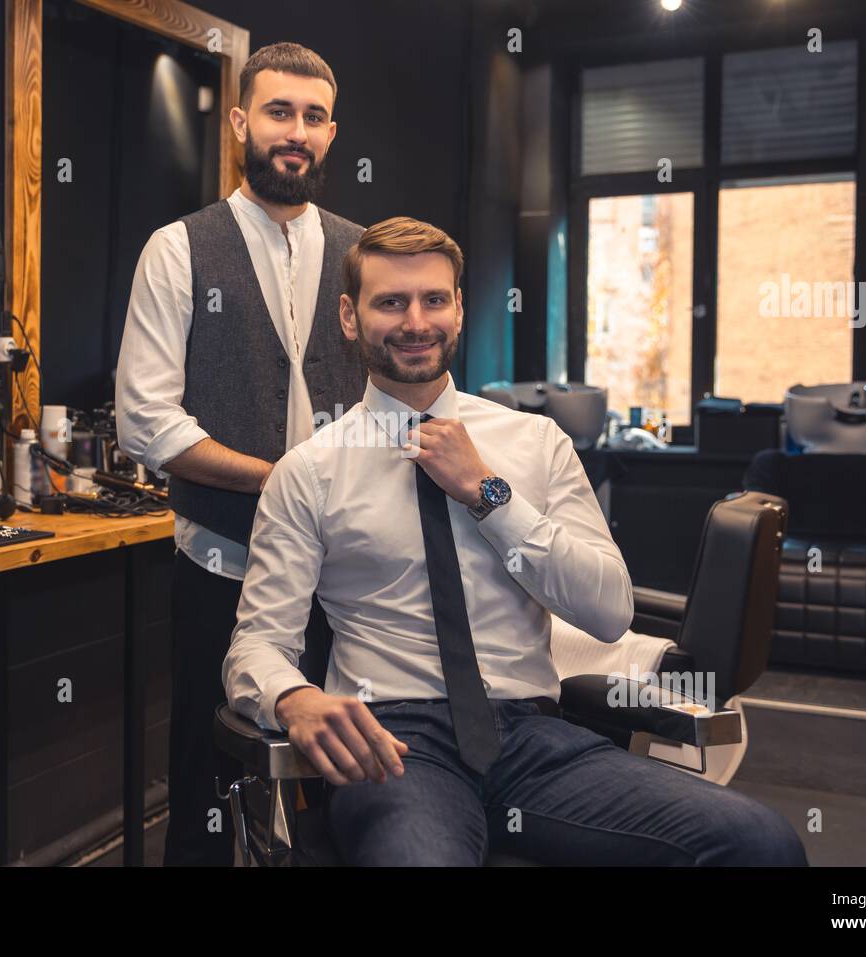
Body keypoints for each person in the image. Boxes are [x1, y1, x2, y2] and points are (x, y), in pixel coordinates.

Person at [222, 217, 809, 866]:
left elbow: (609, 610)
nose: (416, 320)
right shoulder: (309, 471)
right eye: (391, 301)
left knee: (761, 843)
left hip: (534, 740)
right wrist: (292, 696)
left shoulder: (535, 444)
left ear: (460, 309)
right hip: (395, 745)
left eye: (434, 299)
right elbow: (258, 640)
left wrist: (489, 494)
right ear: (350, 316)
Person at [115, 43, 365, 866]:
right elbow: (147, 423)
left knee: (348, 778)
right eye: (278, 112)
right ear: (239, 122)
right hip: (222, 558)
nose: (296, 132)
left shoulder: (364, 254)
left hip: (349, 571)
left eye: (314, 117)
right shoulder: (180, 248)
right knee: (209, 778)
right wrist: (284, 482)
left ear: (332, 132)